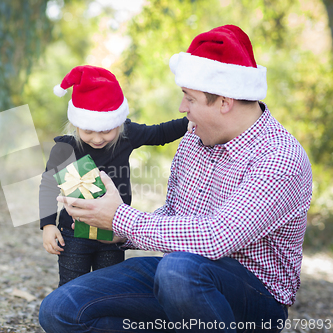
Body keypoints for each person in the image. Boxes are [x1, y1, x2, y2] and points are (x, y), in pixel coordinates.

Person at [39, 25, 313, 332]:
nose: (183, 109)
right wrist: (113, 229)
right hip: (178, 283)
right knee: (60, 309)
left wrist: (121, 219)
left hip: (253, 300)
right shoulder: (196, 138)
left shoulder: (279, 157)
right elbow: (174, 216)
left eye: (190, 99)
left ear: (224, 102)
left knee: (178, 270)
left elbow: (216, 237)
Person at [40, 65, 192, 287]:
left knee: (107, 288)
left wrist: (191, 122)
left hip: (113, 232)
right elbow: (48, 187)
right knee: (72, 287)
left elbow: (160, 133)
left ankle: (103, 321)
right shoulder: (65, 149)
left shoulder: (126, 136)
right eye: (88, 131)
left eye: (106, 130)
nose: (98, 138)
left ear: (118, 123)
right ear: (76, 123)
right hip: (74, 234)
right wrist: (47, 226)